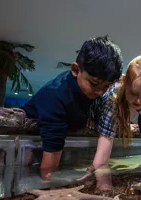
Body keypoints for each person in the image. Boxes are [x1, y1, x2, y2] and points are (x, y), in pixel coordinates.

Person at [21, 36, 123, 180]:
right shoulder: (55, 95)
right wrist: (50, 185)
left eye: (106, 86)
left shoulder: (99, 94)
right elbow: (50, 163)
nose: (100, 92)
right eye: (94, 84)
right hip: (31, 147)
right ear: (75, 70)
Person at [81, 50, 141, 178]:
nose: (138, 101)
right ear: (124, 81)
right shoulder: (112, 101)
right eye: (134, 93)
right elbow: (101, 157)